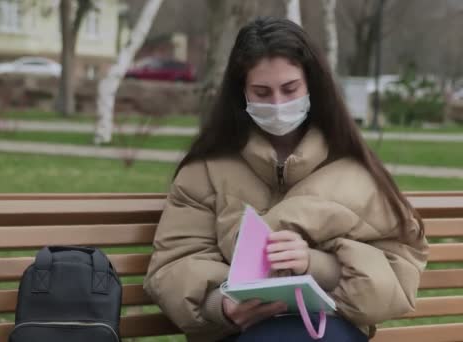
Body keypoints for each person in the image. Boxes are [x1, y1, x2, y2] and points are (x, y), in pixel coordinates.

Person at [142, 17, 428, 342]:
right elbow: (175, 264)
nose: (277, 105)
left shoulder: (354, 170)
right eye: (261, 92)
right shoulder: (207, 169)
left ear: (312, 85)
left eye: (290, 89)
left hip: (330, 328)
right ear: (241, 93)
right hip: (240, 334)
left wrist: (314, 264)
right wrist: (221, 305)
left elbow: (397, 271)